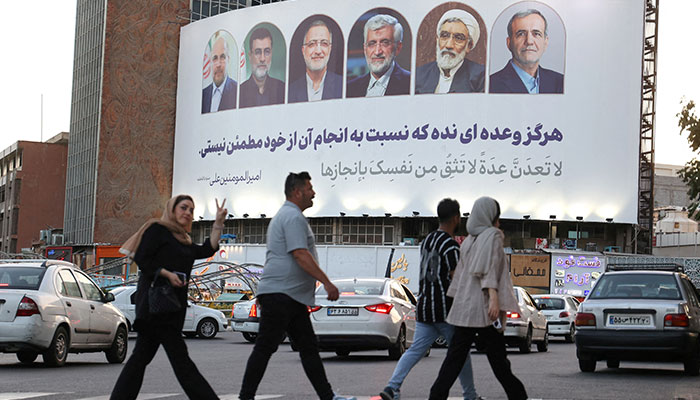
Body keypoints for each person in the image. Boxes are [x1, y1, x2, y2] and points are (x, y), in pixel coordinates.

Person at [238, 172, 355, 400]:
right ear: (297, 191)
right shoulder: (292, 217)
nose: (314, 193)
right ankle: (245, 397)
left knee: (308, 348)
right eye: (310, 188)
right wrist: (327, 283)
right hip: (281, 295)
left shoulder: (288, 216)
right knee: (265, 347)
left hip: (289, 297)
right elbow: (300, 254)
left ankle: (328, 396)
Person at [110, 195, 227, 400]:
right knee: (182, 365)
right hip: (155, 309)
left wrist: (218, 223)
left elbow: (206, 249)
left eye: (191, 210)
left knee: (140, 361)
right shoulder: (157, 230)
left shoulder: (184, 239)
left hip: (172, 309)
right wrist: (167, 274)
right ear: (172, 210)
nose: (188, 213)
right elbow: (142, 260)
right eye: (183, 208)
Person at [380, 199, 481, 400]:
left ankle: (393, 387)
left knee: (415, 350)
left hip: (425, 306)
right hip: (445, 309)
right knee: (460, 353)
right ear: (456, 218)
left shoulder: (427, 241)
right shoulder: (450, 246)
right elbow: (456, 279)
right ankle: (470, 395)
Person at [428, 196, 527, 400]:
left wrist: (456, 300)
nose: (498, 221)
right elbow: (489, 267)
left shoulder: (468, 240)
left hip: (465, 309)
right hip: (483, 310)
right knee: (500, 364)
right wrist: (493, 298)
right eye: (496, 216)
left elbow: (462, 276)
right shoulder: (493, 235)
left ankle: (435, 396)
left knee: (453, 361)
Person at [489, 9, 564, 94]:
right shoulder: (490, 84)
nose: (529, 41)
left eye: (536, 34)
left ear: (545, 43)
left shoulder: (561, 82)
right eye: (521, 34)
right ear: (509, 43)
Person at [415, 9, 484, 94]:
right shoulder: (419, 74)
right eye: (444, 36)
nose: (449, 45)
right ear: (437, 40)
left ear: (468, 46)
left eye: (458, 38)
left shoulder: (481, 77)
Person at [347, 14, 410, 98]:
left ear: (398, 48)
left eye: (385, 43)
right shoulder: (350, 88)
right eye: (372, 43)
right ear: (365, 48)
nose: (377, 52)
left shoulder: (411, 84)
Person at [288, 20, 342, 103]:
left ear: (330, 49)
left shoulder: (342, 85)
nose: (318, 51)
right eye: (312, 44)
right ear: (303, 50)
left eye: (324, 43)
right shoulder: (289, 92)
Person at [240, 27, 285, 108]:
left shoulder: (282, 90)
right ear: (250, 56)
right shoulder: (238, 93)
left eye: (267, 52)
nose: (262, 59)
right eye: (258, 52)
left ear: (271, 54)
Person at [202, 32, 238, 113]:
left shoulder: (238, 91)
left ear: (228, 59)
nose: (218, 64)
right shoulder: (203, 94)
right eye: (215, 58)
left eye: (222, 57)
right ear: (210, 62)